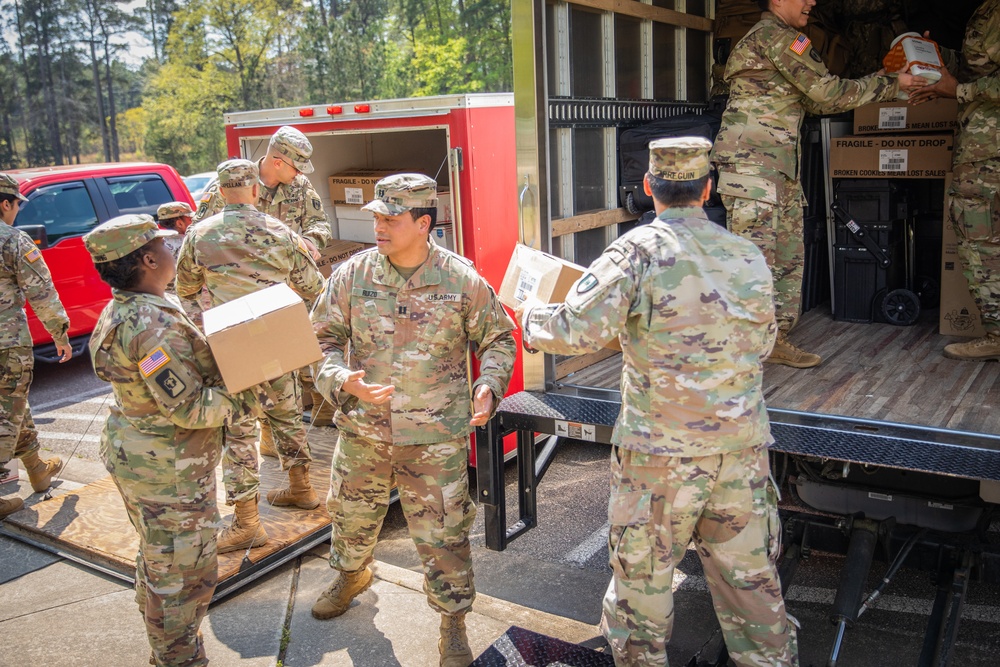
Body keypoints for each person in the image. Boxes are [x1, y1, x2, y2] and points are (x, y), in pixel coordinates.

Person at [517, 138, 798, 667]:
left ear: (649, 188)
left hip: (660, 460)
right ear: (708, 189)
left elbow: (578, 329)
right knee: (752, 590)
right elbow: (763, 342)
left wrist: (531, 318)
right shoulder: (748, 255)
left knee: (642, 594)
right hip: (741, 453)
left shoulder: (636, 251)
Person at [309, 173, 516, 667]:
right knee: (352, 518)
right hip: (365, 431)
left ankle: (453, 623)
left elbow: (499, 337)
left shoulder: (461, 279)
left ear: (423, 223)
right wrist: (340, 378)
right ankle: (352, 575)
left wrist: (489, 383)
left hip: (434, 437)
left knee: (443, 536)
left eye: (391, 218)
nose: (378, 225)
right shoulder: (353, 274)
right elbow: (321, 338)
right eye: (377, 216)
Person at [711, 0, 928, 368]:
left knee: (787, 258)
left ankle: (774, 339)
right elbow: (827, 93)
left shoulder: (783, 40)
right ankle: (738, 354)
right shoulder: (778, 38)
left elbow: (817, 102)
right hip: (753, 167)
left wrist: (880, 79)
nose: (812, 1)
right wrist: (891, 83)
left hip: (777, 167)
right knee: (754, 259)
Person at [85, 214, 254, 667]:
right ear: (146, 259)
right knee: (184, 576)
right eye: (163, 246)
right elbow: (189, 406)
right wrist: (247, 393)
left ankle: (169, 648)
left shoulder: (132, 306)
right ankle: (178, 658)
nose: (172, 250)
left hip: (146, 457)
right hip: (169, 471)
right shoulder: (150, 324)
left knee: (160, 561)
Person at [175, 159, 324, 554]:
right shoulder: (281, 232)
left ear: (221, 191)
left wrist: (208, 323)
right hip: (276, 337)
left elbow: (185, 289)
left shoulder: (200, 234)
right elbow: (314, 285)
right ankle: (302, 488)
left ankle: (247, 524)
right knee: (287, 414)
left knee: (238, 430)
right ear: (257, 190)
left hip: (232, 344)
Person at [193, 125, 332, 440]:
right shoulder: (226, 188)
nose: (300, 174)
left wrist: (311, 240)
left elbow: (319, 221)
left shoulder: (300, 186)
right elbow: (199, 236)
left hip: (294, 286)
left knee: (311, 344)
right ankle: (270, 434)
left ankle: (322, 410)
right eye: (296, 166)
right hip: (245, 296)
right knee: (261, 366)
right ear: (278, 161)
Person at [909, 1, 1000, 360]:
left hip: (988, 153)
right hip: (981, 150)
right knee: (981, 243)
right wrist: (936, 59)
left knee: (981, 242)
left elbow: (974, 83)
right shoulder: (985, 9)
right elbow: (979, 69)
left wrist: (957, 91)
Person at [0, 172, 71, 520]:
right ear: (5, 204)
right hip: (6, 344)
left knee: (13, 404)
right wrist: (60, 333)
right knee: (6, 409)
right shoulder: (13, 240)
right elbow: (41, 292)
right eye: (16, 205)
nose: (17, 212)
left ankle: (37, 468)